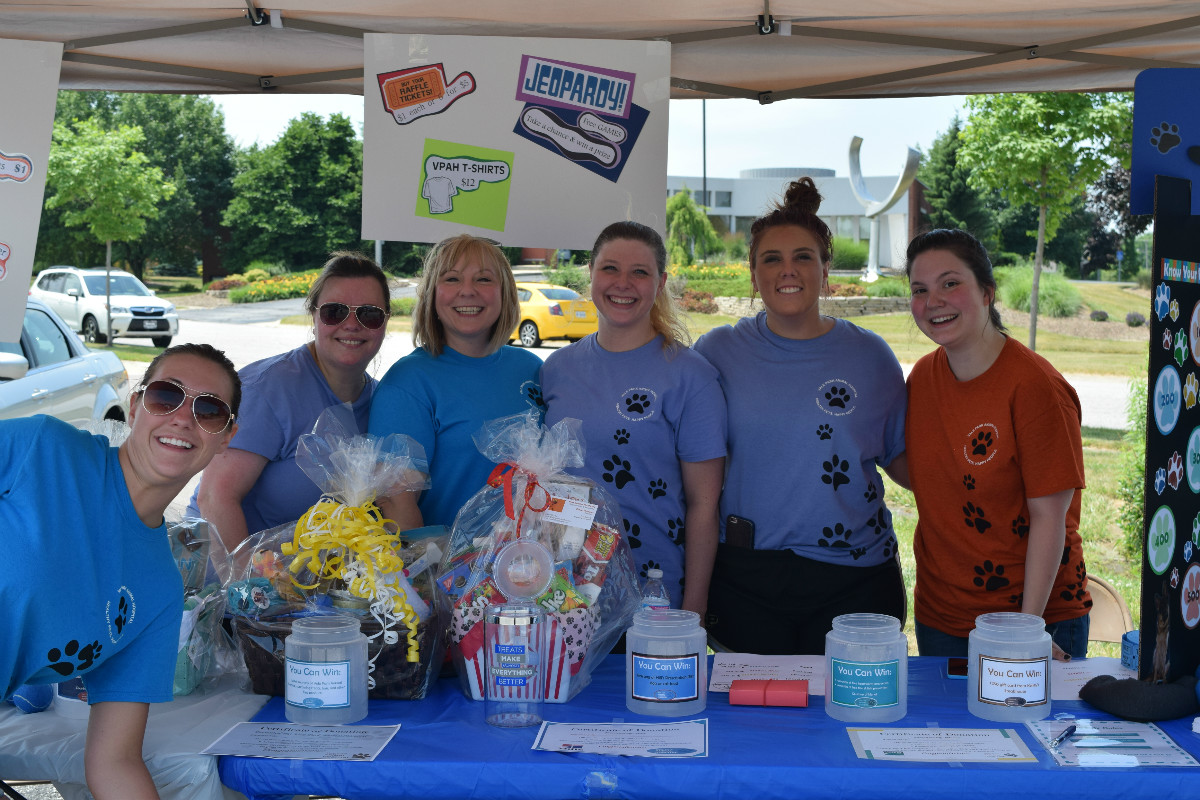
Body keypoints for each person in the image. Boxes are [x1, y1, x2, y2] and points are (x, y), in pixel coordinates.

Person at [0, 343, 240, 800]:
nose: (183, 418)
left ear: (226, 436)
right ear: (135, 405)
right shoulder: (42, 449)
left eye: (209, 410)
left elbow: (115, 761)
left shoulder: (159, 592)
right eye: (166, 396)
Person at [693, 178, 909, 655]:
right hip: (747, 576)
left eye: (803, 256)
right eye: (771, 258)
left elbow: (905, 461)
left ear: (825, 269)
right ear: (753, 274)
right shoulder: (716, 353)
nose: (787, 270)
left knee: (851, 721)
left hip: (855, 576)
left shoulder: (870, 356)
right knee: (755, 725)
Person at [904, 228, 1091, 660]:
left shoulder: (1036, 387)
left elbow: (1050, 518)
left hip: (1033, 618)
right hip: (942, 616)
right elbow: (928, 474)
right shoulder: (922, 379)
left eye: (951, 283)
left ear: (987, 292)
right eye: (920, 289)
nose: (934, 301)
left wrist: (1026, 632)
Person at [540, 221, 726, 616]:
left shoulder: (691, 376)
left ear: (660, 284)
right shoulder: (556, 368)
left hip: (654, 591)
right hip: (563, 592)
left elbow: (704, 508)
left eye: (640, 272)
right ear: (590, 273)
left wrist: (694, 609)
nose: (623, 283)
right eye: (610, 268)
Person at [191, 252, 390, 552]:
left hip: (316, 590)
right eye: (334, 312)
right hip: (233, 581)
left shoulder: (382, 400)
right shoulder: (267, 388)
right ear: (313, 316)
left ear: (386, 321)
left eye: (369, 314)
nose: (352, 324)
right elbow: (214, 498)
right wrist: (253, 588)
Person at [369, 234, 542, 530]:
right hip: (450, 571)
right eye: (451, 279)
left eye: (484, 280)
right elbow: (395, 505)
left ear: (505, 293)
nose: (468, 291)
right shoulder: (408, 383)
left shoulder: (532, 368)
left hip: (533, 565)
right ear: (432, 295)